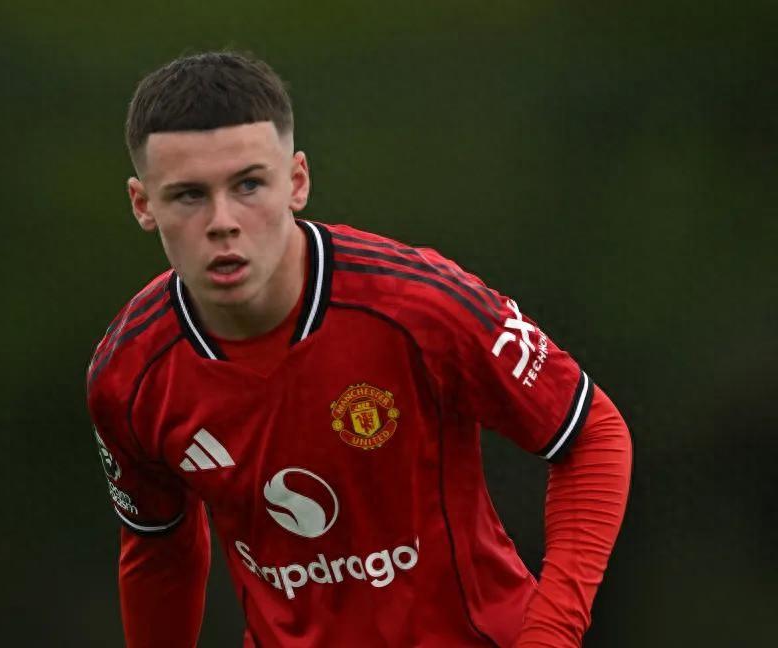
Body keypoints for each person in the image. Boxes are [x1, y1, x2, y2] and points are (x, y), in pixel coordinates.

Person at [86, 51, 632, 647]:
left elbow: (593, 436)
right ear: (143, 204)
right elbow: (159, 547)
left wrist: (550, 636)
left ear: (297, 181)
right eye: (189, 195)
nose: (223, 221)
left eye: (248, 185)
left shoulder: (420, 305)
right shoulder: (128, 372)